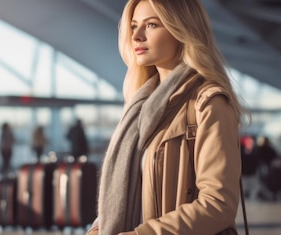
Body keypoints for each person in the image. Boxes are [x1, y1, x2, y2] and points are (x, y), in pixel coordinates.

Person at [87, 0, 246, 234]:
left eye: (151, 25)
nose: (137, 36)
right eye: (133, 26)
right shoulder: (139, 107)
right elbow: (121, 194)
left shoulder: (208, 103)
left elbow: (218, 204)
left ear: (181, 30)